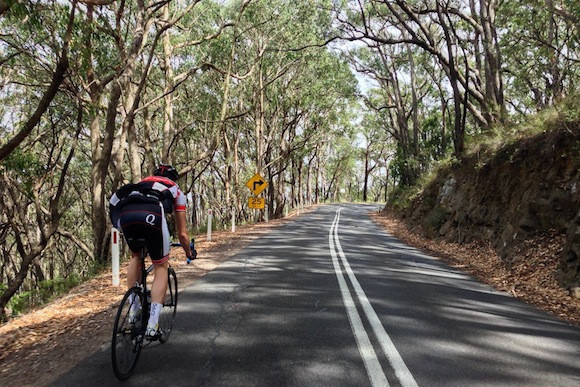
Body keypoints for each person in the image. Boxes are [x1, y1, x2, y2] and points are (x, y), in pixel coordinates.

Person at [109, 163, 196, 338]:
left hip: (126, 214)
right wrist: (189, 252)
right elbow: (182, 234)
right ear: (173, 178)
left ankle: (134, 310)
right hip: (152, 214)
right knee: (160, 266)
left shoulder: (141, 184)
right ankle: (153, 324)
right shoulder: (175, 190)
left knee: (136, 256)